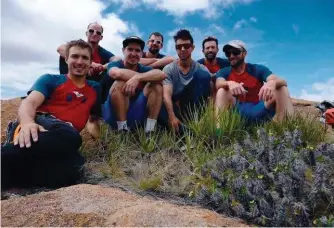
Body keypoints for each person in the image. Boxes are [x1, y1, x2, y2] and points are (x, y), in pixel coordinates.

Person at [1, 39, 101, 190]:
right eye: (75, 56)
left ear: (90, 62)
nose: (79, 61)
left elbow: (93, 120)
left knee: (75, 170)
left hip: (61, 142)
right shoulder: (51, 79)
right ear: (66, 58)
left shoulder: (95, 89)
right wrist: (27, 123)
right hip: (43, 124)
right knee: (69, 135)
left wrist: (100, 142)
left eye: (85, 58)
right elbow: (30, 103)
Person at [215, 40, 294, 124]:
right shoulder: (224, 72)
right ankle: (219, 133)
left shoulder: (257, 69)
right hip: (237, 112)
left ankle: (286, 131)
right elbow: (218, 83)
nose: (231, 56)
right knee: (222, 91)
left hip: (259, 109)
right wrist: (229, 83)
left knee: (281, 89)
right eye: (228, 53)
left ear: (244, 53)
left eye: (235, 52)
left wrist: (272, 83)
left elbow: (282, 81)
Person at [102, 36, 166, 133]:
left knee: (156, 86)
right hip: (113, 115)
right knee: (120, 82)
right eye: (130, 49)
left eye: (137, 50)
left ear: (141, 53)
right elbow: (116, 73)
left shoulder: (143, 69)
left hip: (134, 114)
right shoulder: (116, 64)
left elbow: (161, 75)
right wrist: (144, 77)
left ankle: (149, 131)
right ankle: (121, 130)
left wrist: (138, 78)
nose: (133, 54)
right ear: (123, 50)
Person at [159, 29, 211, 132]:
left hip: (194, 109)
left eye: (186, 46)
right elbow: (166, 95)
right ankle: (182, 128)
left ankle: (194, 127)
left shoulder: (202, 68)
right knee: (161, 103)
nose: (182, 49)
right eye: (178, 47)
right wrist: (172, 117)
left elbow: (211, 93)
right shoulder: (169, 69)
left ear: (192, 47)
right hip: (175, 108)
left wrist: (208, 117)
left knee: (203, 75)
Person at [197, 36, 230, 100]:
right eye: (207, 48)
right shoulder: (197, 65)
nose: (210, 50)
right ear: (203, 51)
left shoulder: (226, 63)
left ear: (217, 49)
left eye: (213, 47)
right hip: (204, 98)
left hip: (223, 95)